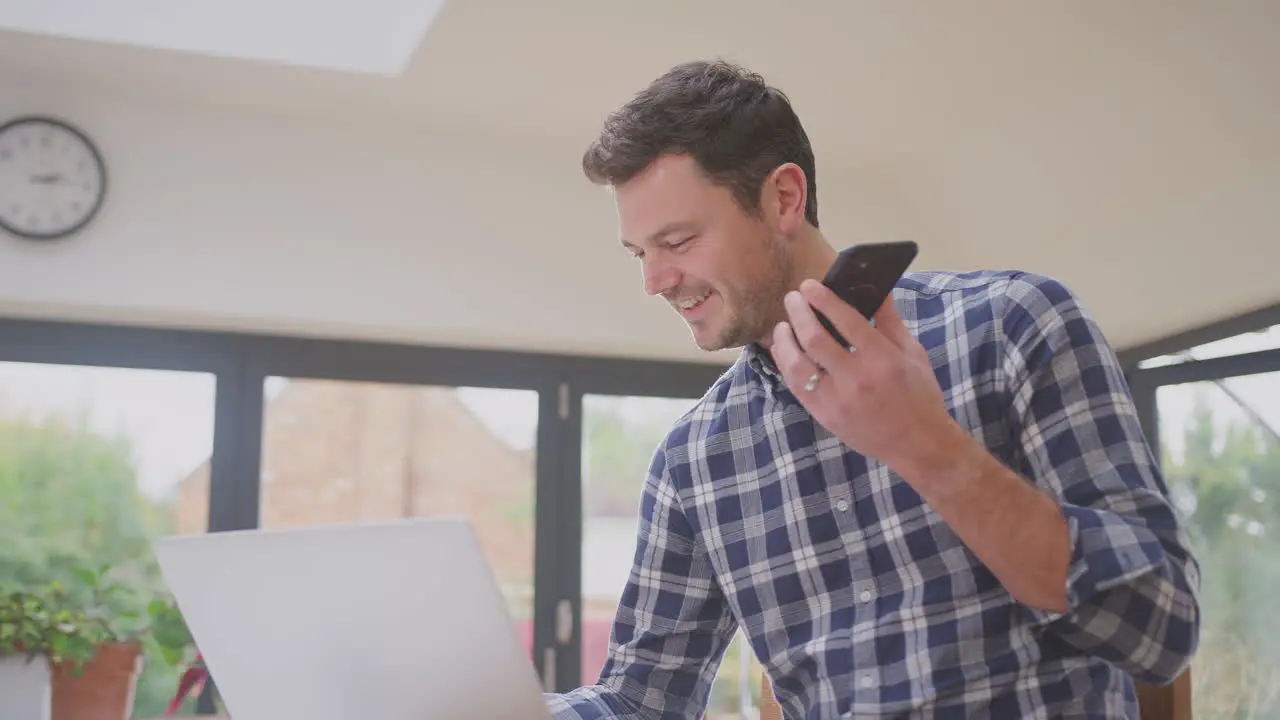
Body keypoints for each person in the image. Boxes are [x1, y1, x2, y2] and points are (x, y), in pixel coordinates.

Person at [545, 59, 1200, 718]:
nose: (654, 281)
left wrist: (926, 447)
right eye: (639, 253)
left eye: (677, 240)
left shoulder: (1014, 326)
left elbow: (1160, 630)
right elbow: (640, 700)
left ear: (783, 199)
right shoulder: (693, 462)